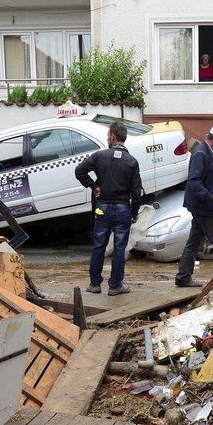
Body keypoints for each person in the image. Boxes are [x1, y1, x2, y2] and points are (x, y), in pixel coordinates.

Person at [75, 121, 143, 296]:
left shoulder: (99, 156)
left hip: (102, 208)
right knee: (119, 248)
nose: (107, 138)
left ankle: (95, 284)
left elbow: (79, 171)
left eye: (108, 135)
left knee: (99, 246)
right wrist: (135, 212)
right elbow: (136, 191)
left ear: (113, 136)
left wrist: (93, 186)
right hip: (123, 209)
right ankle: (115, 286)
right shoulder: (132, 162)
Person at [174, 125, 213, 287]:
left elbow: (209, 178)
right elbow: (194, 182)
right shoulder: (201, 154)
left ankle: (183, 277)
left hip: (204, 205)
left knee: (194, 243)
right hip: (204, 207)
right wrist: (210, 196)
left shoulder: (208, 153)